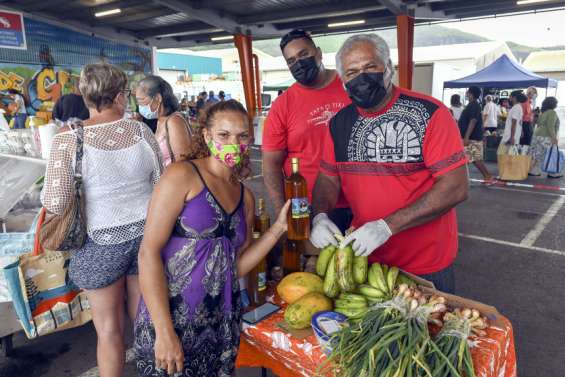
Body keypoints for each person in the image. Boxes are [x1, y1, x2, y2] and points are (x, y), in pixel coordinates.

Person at [134, 100, 290, 377]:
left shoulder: (246, 197)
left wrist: (277, 229)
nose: (234, 143)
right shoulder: (182, 175)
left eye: (243, 136)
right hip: (173, 320)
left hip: (220, 322)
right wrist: (165, 332)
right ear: (206, 136)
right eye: (224, 135)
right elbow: (148, 253)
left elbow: (235, 267)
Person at [310, 34, 469, 293]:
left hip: (425, 264)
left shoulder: (430, 113)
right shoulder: (339, 123)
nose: (361, 77)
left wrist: (387, 226)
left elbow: (455, 186)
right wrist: (319, 215)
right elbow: (328, 178)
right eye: (351, 72)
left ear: (389, 67)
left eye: (370, 67)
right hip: (366, 259)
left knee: (429, 330)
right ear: (343, 80)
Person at [41, 63, 162, 377]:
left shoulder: (68, 140)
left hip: (100, 243)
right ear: (121, 95)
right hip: (147, 239)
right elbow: (161, 183)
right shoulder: (141, 130)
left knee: (109, 331)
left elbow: (55, 201)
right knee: (144, 322)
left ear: (85, 96)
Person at [262, 29, 352, 233]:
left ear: (318, 53)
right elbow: (271, 165)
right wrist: (281, 212)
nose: (299, 63)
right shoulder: (283, 105)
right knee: (313, 263)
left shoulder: (350, 85)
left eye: (304, 54)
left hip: (359, 200)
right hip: (308, 204)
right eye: (291, 60)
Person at [136, 75, 192, 167]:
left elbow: (183, 163)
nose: (139, 105)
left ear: (158, 98)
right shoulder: (160, 121)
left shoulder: (174, 122)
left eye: (141, 100)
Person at [458, 86, 493, 182]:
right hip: (471, 137)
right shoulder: (472, 105)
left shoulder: (474, 105)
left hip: (472, 137)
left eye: (468, 92)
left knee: (476, 159)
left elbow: (473, 121)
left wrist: (466, 137)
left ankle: (488, 176)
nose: (466, 93)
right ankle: (486, 176)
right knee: (471, 159)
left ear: (471, 93)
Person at [529, 96, 561, 177]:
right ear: (553, 104)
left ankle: (534, 171)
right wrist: (554, 138)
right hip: (546, 136)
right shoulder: (552, 112)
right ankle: (552, 172)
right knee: (550, 154)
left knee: (538, 154)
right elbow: (550, 126)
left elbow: (537, 123)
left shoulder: (543, 112)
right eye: (556, 103)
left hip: (537, 135)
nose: (557, 105)